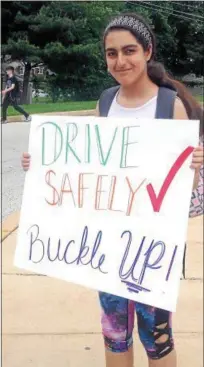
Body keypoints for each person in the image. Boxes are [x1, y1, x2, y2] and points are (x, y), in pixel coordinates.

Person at [21, 12, 203, 367]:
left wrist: (196, 168)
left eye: (129, 50)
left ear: (148, 51)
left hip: (154, 247)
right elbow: (91, 166)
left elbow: (186, 190)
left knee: (157, 336)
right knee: (114, 332)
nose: (120, 61)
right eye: (111, 53)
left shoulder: (170, 105)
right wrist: (42, 164)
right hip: (108, 244)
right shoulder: (106, 101)